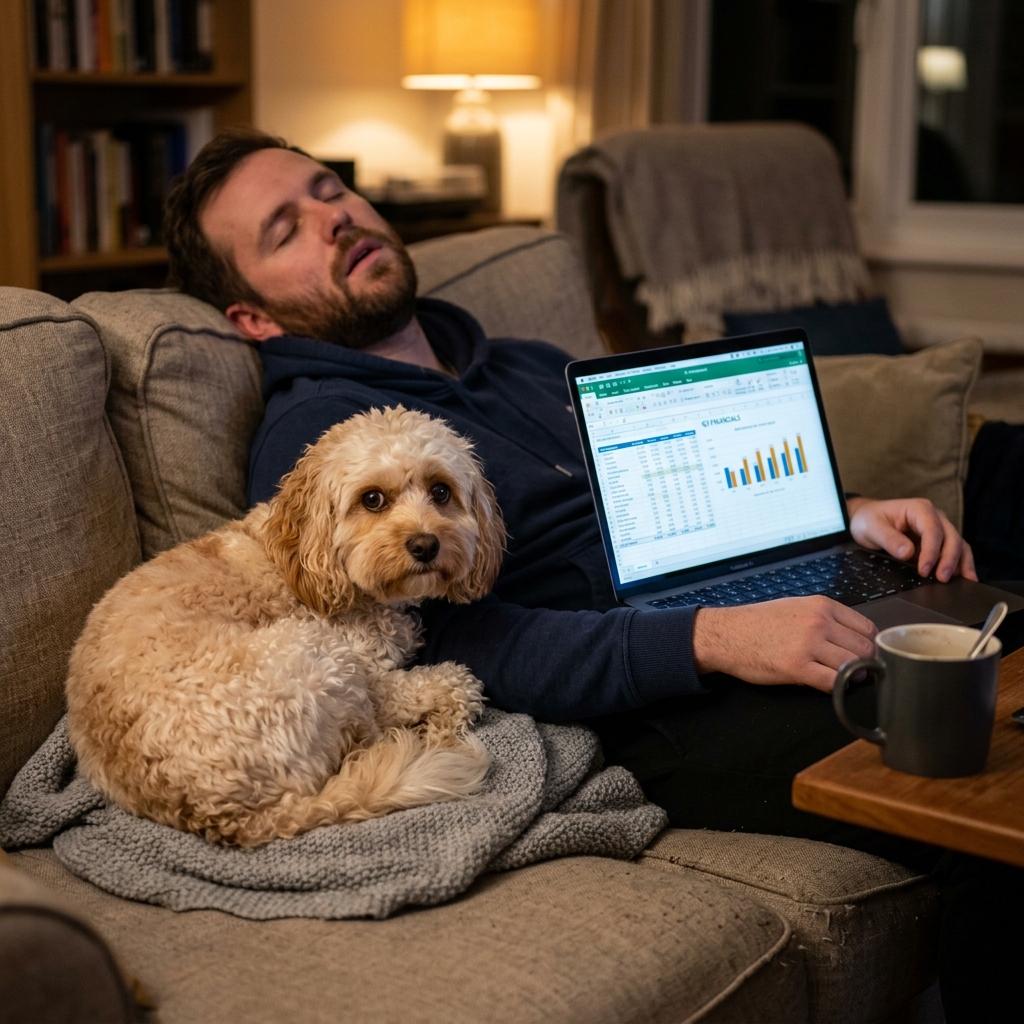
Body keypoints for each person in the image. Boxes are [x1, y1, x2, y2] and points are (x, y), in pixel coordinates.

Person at [164, 129, 1021, 1022]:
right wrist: (717, 636)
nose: (335, 219)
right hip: (655, 700)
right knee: (976, 778)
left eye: (329, 190)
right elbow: (440, 645)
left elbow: (689, 482)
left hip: (736, 598)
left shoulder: (525, 358)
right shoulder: (323, 446)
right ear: (253, 318)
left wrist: (844, 512)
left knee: (1001, 615)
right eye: (286, 230)